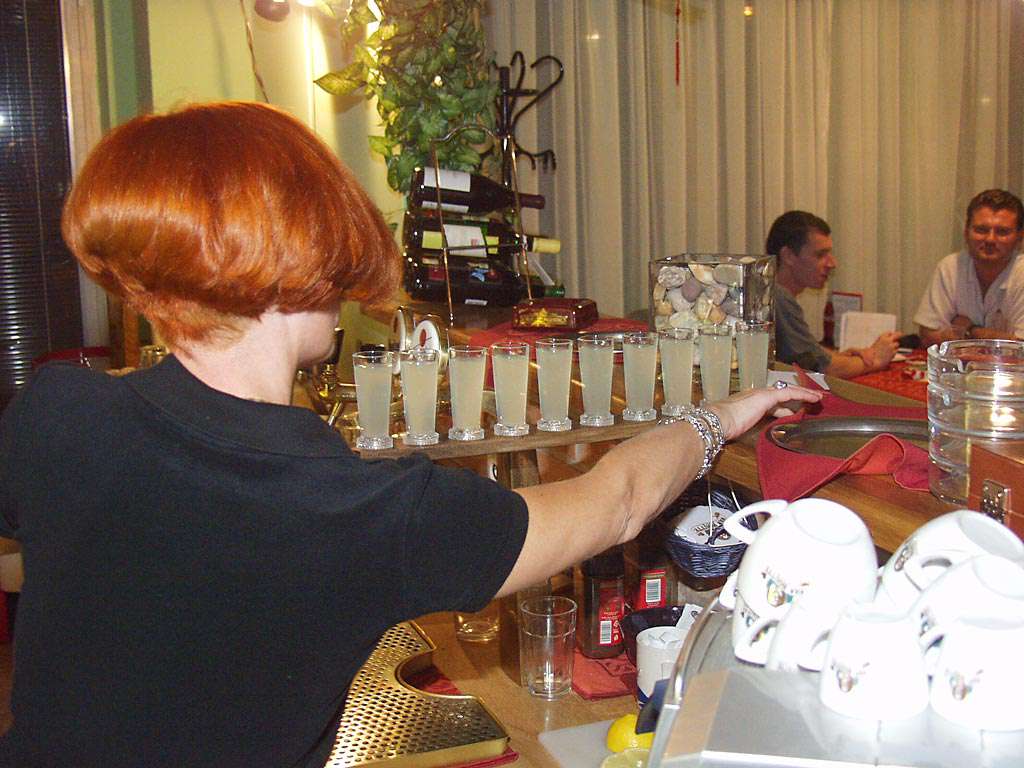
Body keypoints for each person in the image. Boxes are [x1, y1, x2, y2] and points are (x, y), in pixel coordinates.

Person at [0, 102, 819, 768]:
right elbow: (619, 501)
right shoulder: (354, 510)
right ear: (298, 255)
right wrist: (724, 414)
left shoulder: (61, 411)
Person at [767, 210, 899, 378]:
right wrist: (877, 359)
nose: (832, 263)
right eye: (820, 255)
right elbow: (822, 370)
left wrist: (840, 357)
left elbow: (807, 352)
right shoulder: (779, 299)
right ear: (789, 256)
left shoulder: (771, 293)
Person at [914, 189, 1024, 346]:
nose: (990, 239)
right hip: (958, 362)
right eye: (981, 230)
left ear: (1020, 237)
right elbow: (927, 334)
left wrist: (971, 330)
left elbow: (1020, 348)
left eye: (1002, 232)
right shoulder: (950, 267)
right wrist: (997, 338)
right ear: (966, 232)